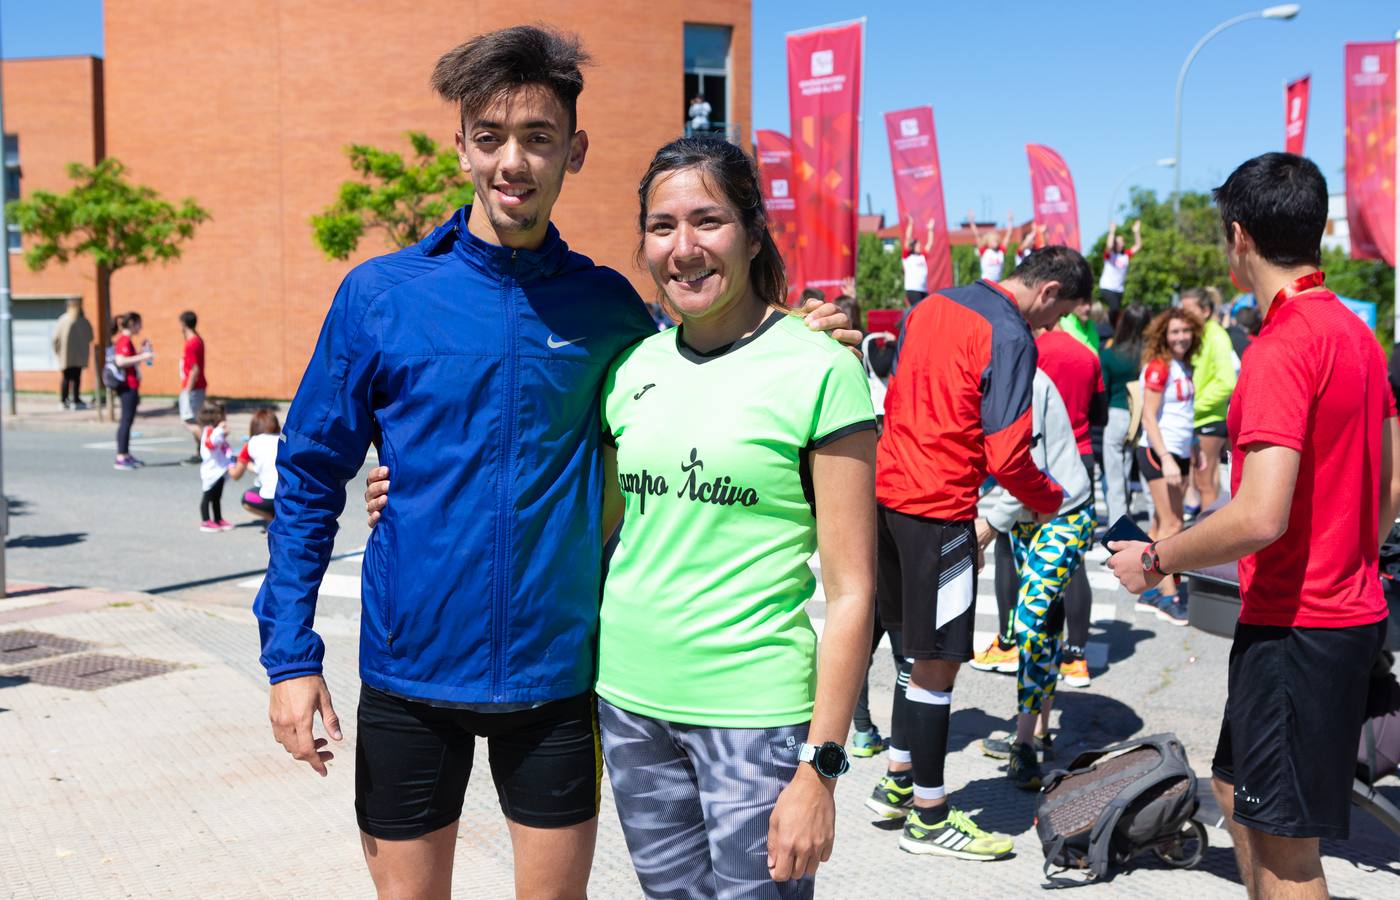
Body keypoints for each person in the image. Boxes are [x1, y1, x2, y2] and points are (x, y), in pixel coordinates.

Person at [255, 26, 856, 900]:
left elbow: (708, 351)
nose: (513, 160)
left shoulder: (609, 307)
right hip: (407, 676)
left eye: (537, 137)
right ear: (460, 145)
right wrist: (289, 659)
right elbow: (309, 480)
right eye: (490, 136)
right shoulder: (380, 298)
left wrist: (794, 329)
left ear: (573, 151)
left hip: (558, 685)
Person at [1107, 152, 1398, 900]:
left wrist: (1159, 557)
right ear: (1318, 233)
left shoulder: (1280, 346)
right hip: (1338, 616)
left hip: (1302, 631)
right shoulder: (1360, 338)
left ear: (1238, 236)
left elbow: (1260, 513)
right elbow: (1391, 485)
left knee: (1287, 857)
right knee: (1235, 791)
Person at [593, 137, 876, 898]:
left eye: (707, 221)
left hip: (757, 722)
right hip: (628, 708)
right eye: (661, 226)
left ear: (753, 234)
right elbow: (598, 531)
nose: (683, 248)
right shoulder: (630, 370)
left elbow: (852, 592)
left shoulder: (821, 368)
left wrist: (821, 766)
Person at [864, 245, 1088, 860]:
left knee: (913, 653)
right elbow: (1009, 455)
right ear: (1048, 292)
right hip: (940, 508)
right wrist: (1052, 498)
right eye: (1057, 315)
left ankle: (898, 782)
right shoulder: (1012, 333)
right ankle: (931, 820)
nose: (1052, 327)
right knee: (937, 666)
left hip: (887, 499)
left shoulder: (932, 304)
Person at [983, 362, 1094, 788]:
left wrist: (990, 523)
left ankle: (1024, 745)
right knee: (1043, 627)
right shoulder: (990, 377)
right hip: (1029, 516)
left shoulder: (1021, 379)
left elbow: (1029, 467)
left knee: (1028, 624)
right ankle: (1038, 731)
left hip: (1064, 513)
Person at [1031, 322, 1105, 687]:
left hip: (1046, 458)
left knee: (1028, 555)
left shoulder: (1033, 350)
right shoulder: (1086, 353)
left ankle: (1015, 642)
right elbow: (1101, 415)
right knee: (1074, 561)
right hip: (1083, 454)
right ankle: (1076, 655)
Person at [1134, 307, 1201, 624]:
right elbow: (1149, 417)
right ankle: (1168, 595)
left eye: (1186, 331)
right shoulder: (1159, 367)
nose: (1181, 337)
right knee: (1174, 525)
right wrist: (1167, 459)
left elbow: (1184, 413)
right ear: (1164, 334)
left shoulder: (1183, 364)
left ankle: (1149, 587)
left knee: (1163, 525)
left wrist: (1194, 446)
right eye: (1175, 332)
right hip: (1159, 454)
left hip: (1180, 451)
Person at [1179, 287, 1235, 516]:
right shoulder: (1202, 334)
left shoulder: (1216, 335)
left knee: (1205, 484)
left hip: (1208, 419)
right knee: (1209, 482)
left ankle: (1207, 546)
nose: (1182, 315)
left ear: (1204, 310)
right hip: (1202, 418)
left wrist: (1195, 405)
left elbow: (1227, 382)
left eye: (1188, 311)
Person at [1099, 304, 1151, 531]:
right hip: (1140, 414)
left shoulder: (1110, 354)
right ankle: (1132, 518)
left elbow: (1104, 389)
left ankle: (1118, 526)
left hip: (1116, 412)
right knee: (1129, 464)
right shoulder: (1148, 355)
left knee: (1114, 475)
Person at [110, 312, 153, 471]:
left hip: (131, 384)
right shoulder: (124, 340)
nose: (140, 327)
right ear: (132, 323)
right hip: (127, 386)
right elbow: (120, 361)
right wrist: (143, 356)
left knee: (128, 421)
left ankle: (126, 454)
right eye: (139, 323)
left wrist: (141, 354)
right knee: (126, 421)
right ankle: (121, 456)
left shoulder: (127, 341)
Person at [230, 408, 281, 522]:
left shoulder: (251, 443)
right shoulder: (283, 440)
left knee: (247, 498)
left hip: (269, 498)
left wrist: (227, 463)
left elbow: (236, 475)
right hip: (287, 495)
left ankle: (271, 519)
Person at [197, 399, 233, 532]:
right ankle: (206, 521)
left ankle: (218, 518)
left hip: (220, 469)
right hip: (211, 470)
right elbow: (211, 444)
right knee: (208, 495)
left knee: (217, 497)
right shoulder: (210, 431)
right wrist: (221, 431)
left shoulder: (213, 430)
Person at [51, 298, 93, 410]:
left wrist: (57, 351)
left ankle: (63, 400)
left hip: (66, 356)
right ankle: (76, 399)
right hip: (79, 355)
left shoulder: (63, 320)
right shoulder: (83, 320)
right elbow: (90, 336)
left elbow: (55, 338)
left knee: (66, 377)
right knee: (76, 378)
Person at [178, 311, 208, 464]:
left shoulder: (192, 343)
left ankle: (208, 447)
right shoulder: (197, 340)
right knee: (197, 420)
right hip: (198, 387)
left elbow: (194, 369)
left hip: (193, 389)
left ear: (183, 324)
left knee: (188, 420)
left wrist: (187, 391)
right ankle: (201, 452)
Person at [1098, 219, 1140, 323]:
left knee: (1117, 312)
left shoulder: (1126, 255)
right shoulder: (1109, 255)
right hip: (1107, 287)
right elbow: (1108, 246)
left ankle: (1111, 325)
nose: (1120, 244)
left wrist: (1136, 232)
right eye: (1118, 242)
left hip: (1119, 289)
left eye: (1122, 241)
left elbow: (1138, 246)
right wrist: (1112, 231)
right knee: (1114, 308)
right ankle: (1110, 329)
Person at [968, 209, 1014, 283]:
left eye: (996, 240)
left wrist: (1010, 221)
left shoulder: (1000, 251)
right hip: (986, 282)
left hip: (997, 282)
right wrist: (971, 221)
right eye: (992, 240)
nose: (994, 242)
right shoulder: (984, 251)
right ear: (988, 242)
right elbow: (976, 235)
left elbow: (1008, 235)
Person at [902, 215, 934, 305]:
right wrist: (911, 224)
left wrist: (930, 230)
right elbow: (908, 238)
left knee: (925, 310)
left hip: (923, 289)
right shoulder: (907, 257)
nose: (920, 246)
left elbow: (930, 244)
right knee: (919, 310)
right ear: (913, 247)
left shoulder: (922, 257)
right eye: (918, 245)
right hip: (913, 289)